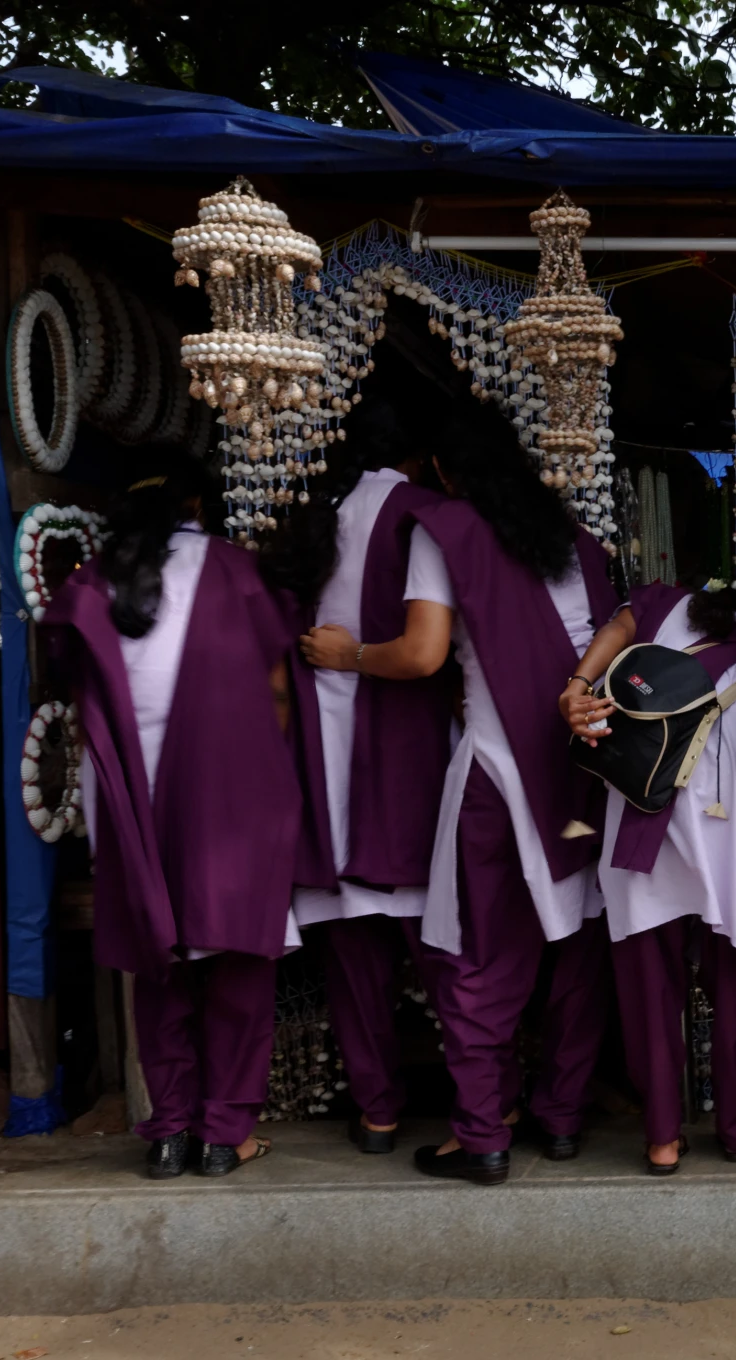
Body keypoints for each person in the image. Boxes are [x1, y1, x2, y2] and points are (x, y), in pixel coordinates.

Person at [304, 403, 618, 1185]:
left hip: (499, 766)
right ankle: (563, 1119)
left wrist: (348, 657)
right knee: (577, 947)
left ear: (441, 472)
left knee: (479, 953)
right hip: (586, 761)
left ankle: (481, 1133)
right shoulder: (576, 542)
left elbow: (420, 654)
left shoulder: (446, 532)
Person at [42, 451, 301, 1179]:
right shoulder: (234, 567)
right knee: (239, 967)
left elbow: (74, 689)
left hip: (131, 799)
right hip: (230, 790)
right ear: (198, 505)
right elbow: (279, 694)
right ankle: (225, 1137)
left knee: (159, 970)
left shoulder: (95, 582)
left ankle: (167, 1133)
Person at [266, 398, 454, 1155]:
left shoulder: (310, 520)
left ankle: (377, 1112)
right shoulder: (425, 515)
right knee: (443, 949)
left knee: (351, 960)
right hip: (409, 753)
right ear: (419, 455)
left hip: (321, 758)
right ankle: (487, 1106)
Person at [563, 581, 736, 1171]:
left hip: (644, 811)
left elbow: (615, 631)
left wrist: (575, 688)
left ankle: (663, 1138)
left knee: (650, 984)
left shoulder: (653, 607)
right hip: (732, 825)